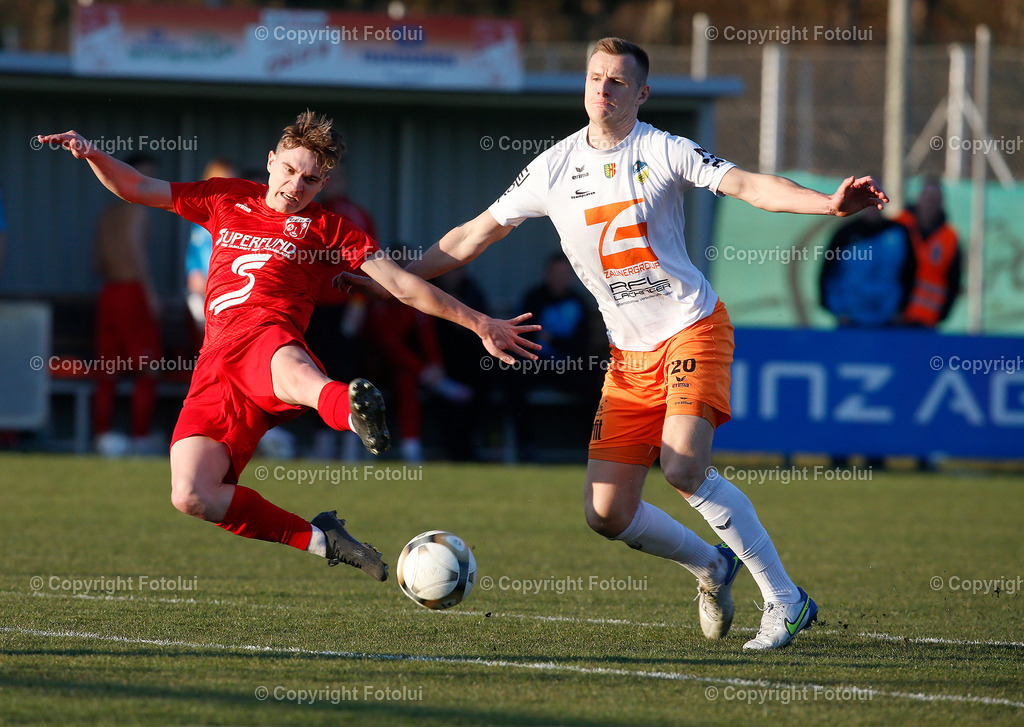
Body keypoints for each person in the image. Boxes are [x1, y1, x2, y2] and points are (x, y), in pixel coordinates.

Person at [343, 38, 887, 648]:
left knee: (683, 466)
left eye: (618, 82)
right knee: (606, 513)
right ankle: (710, 565)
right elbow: (471, 237)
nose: (603, 90)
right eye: (595, 78)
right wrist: (391, 280)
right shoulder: (552, 167)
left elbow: (747, 185)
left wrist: (827, 204)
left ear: (642, 94)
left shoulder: (663, 149)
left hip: (691, 328)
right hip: (627, 358)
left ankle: (787, 601)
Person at [38, 111, 540, 582]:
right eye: (291, 171)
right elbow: (138, 187)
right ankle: (324, 540)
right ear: (272, 160)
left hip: (268, 336)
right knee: (192, 494)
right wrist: (93, 154)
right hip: (214, 368)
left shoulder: (329, 228)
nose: (296, 186)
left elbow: (403, 285)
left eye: (311, 180)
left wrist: (478, 323)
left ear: (324, 184)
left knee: (292, 369)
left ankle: (351, 408)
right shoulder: (225, 196)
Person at [92, 153, 164, 457]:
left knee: (108, 370)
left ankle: (103, 436)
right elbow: (135, 251)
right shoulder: (136, 212)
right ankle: (140, 437)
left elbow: (97, 261)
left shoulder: (107, 214)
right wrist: (150, 294)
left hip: (109, 292)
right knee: (148, 368)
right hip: (132, 292)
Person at [819, 203, 916, 327]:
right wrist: (837, 310)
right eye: (867, 201)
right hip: (850, 319)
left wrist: (901, 309)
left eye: (875, 201)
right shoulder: (845, 234)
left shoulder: (899, 233)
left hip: (888, 319)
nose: (872, 207)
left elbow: (911, 272)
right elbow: (828, 273)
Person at [894, 178, 962, 327]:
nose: (931, 203)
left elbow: (954, 280)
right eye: (928, 197)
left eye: (935, 199)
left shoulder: (950, 238)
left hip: (928, 319)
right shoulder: (899, 225)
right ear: (919, 199)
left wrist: (942, 314)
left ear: (941, 202)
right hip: (894, 316)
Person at [185, 157, 240, 337]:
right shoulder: (201, 215)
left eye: (232, 182)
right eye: (222, 182)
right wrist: (193, 272)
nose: (227, 188)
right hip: (203, 289)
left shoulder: (240, 215)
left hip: (229, 291)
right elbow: (194, 250)